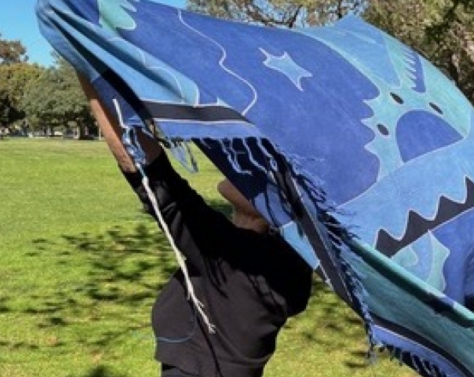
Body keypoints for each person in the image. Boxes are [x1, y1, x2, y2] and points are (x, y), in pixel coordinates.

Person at [78, 75, 313, 377]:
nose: (241, 170)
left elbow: (147, 173)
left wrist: (89, 69)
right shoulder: (291, 265)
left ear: (270, 209)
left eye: (255, 174)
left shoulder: (235, 257)